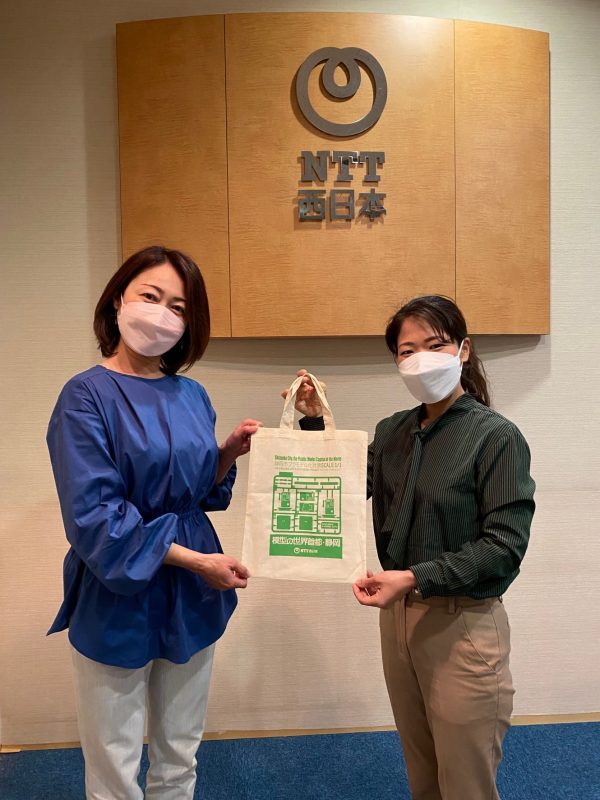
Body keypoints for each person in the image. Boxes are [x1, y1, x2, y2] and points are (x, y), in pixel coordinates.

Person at [290, 295, 535, 800]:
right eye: (407, 351)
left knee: (466, 783)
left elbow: (504, 548)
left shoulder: (495, 437)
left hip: (463, 624)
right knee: (422, 774)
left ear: (463, 350)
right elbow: (339, 489)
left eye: (435, 344)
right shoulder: (392, 432)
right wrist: (313, 421)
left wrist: (414, 577)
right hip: (397, 620)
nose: (421, 358)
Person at [47, 246, 260, 800]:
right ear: (118, 299)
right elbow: (96, 515)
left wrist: (227, 453)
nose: (162, 314)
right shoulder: (85, 395)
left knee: (180, 749)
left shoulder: (192, 394)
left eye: (179, 307)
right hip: (119, 583)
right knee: (114, 760)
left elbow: (196, 492)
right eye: (150, 296)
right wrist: (197, 562)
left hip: (192, 588)